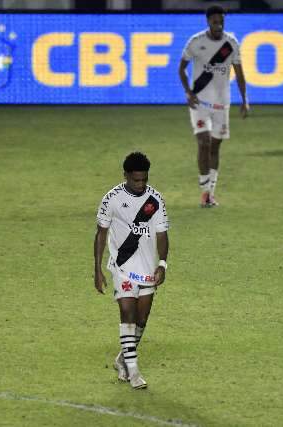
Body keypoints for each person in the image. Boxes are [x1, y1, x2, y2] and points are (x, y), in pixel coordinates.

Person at [93, 152, 170, 390]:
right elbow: (101, 233)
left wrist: (162, 264)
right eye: (136, 180)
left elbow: (162, 234)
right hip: (122, 265)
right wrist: (97, 269)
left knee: (141, 319)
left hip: (146, 267)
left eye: (144, 180)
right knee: (127, 312)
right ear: (126, 175)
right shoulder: (112, 199)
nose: (140, 185)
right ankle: (134, 372)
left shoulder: (154, 199)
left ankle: (122, 358)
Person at [178, 4, 249, 208]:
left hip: (221, 104)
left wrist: (245, 100)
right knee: (204, 143)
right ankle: (204, 192)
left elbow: (240, 74)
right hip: (199, 102)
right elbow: (181, 69)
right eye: (214, 21)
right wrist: (188, 92)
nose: (218, 25)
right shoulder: (196, 42)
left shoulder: (231, 43)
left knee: (215, 147)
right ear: (208, 22)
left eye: (221, 21)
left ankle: (211, 192)